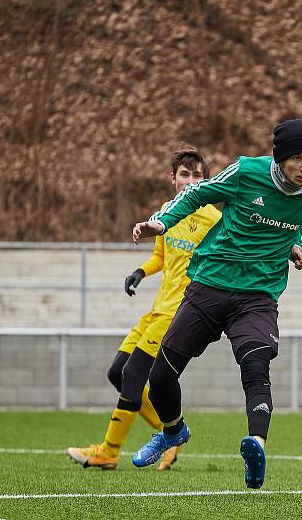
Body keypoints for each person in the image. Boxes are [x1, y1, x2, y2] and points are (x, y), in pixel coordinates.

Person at [129, 118, 302, 489]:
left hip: (258, 296)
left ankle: (256, 445)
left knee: (256, 367)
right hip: (210, 285)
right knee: (159, 378)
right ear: (278, 158)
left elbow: (298, 221)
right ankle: (173, 432)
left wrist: (295, 244)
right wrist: (162, 223)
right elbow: (196, 193)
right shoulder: (246, 172)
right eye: (298, 158)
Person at [67, 146, 221, 471]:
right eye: (184, 174)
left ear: (206, 180)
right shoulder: (167, 211)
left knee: (133, 374)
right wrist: (140, 271)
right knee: (116, 374)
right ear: (172, 178)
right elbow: (161, 258)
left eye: (197, 175)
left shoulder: (214, 219)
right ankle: (172, 432)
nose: (190, 181)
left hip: (179, 312)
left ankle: (108, 451)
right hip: (156, 309)